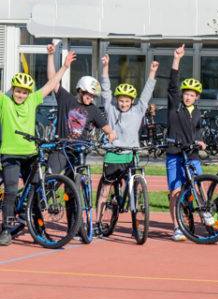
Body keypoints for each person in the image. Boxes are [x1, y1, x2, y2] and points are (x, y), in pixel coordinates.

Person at [0, 58, 72, 246]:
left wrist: (64, 66)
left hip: (30, 154)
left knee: (35, 190)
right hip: (10, 155)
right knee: (11, 190)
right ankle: (6, 229)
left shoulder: (32, 101)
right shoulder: (4, 102)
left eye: (24, 92)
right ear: (12, 90)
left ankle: (38, 228)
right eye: (18, 91)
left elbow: (51, 84)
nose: (21, 95)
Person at [96, 54, 158, 233]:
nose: (123, 103)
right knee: (105, 190)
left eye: (127, 100)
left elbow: (146, 94)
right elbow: (106, 92)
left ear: (132, 101)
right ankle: (99, 222)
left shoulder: (138, 111)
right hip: (113, 155)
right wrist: (106, 67)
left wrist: (153, 72)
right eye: (121, 100)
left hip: (131, 155)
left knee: (133, 189)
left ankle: (136, 223)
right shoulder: (111, 110)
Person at [44, 44, 117, 175]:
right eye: (89, 95)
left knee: (73, 189)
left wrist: (111, 134)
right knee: (48, 181)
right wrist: (51, 56)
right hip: (61, 149)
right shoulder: (66, 99)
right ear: (81, 90)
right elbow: (52, 81)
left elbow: (106, 128)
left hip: (78, 152)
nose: (91, 98)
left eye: (93, 96)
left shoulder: (93, 110)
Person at [165, 44, 209, 241]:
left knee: (199, 187)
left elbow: (197, 132)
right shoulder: (175, 107)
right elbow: (172, 84)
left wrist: (201, 142)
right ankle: (177, 227)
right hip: (174, 153)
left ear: (196, 97)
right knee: (175, 191)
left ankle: (206, 214)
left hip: (191, 155)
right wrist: (177, 60)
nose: (188, 97)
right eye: (186, 94)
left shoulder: (198, 112)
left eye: (192, 95)